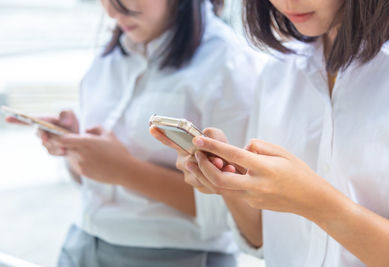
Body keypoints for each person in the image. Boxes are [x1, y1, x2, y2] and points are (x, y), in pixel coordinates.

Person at [6, 0, 264, 266]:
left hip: (175, 255)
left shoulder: (230, 65)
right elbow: (93, 180)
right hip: (81, 243)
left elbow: (233, 209)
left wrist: (124, 170)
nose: (111, 11)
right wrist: (76, 146)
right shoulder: (113, 54)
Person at [152, 0, 389, 266]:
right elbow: (261, 237)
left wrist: (314, 202)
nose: (287, 2)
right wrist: (229, 183)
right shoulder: (277, 72)